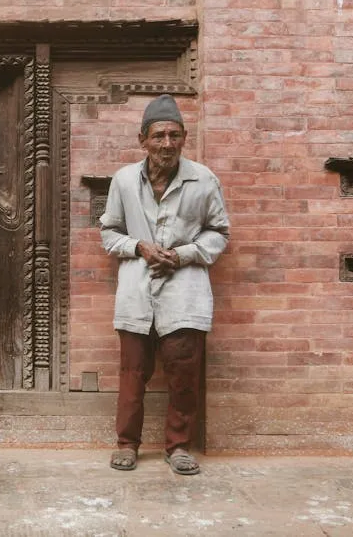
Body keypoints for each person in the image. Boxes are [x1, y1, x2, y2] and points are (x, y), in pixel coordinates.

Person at [99, 93, 230, 475]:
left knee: (184, 375)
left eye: (174, 135)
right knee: (132, 374)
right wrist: (139, 246)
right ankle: (127, 444)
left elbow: (219, 232)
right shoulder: (124, 180)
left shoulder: (203, 179)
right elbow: (108, 232)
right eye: (158, 136)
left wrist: (183, 254)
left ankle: (178, 447)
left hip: (184, 290)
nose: (167, 144)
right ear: (143, 139)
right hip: (137, 290)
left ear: (184, 137)